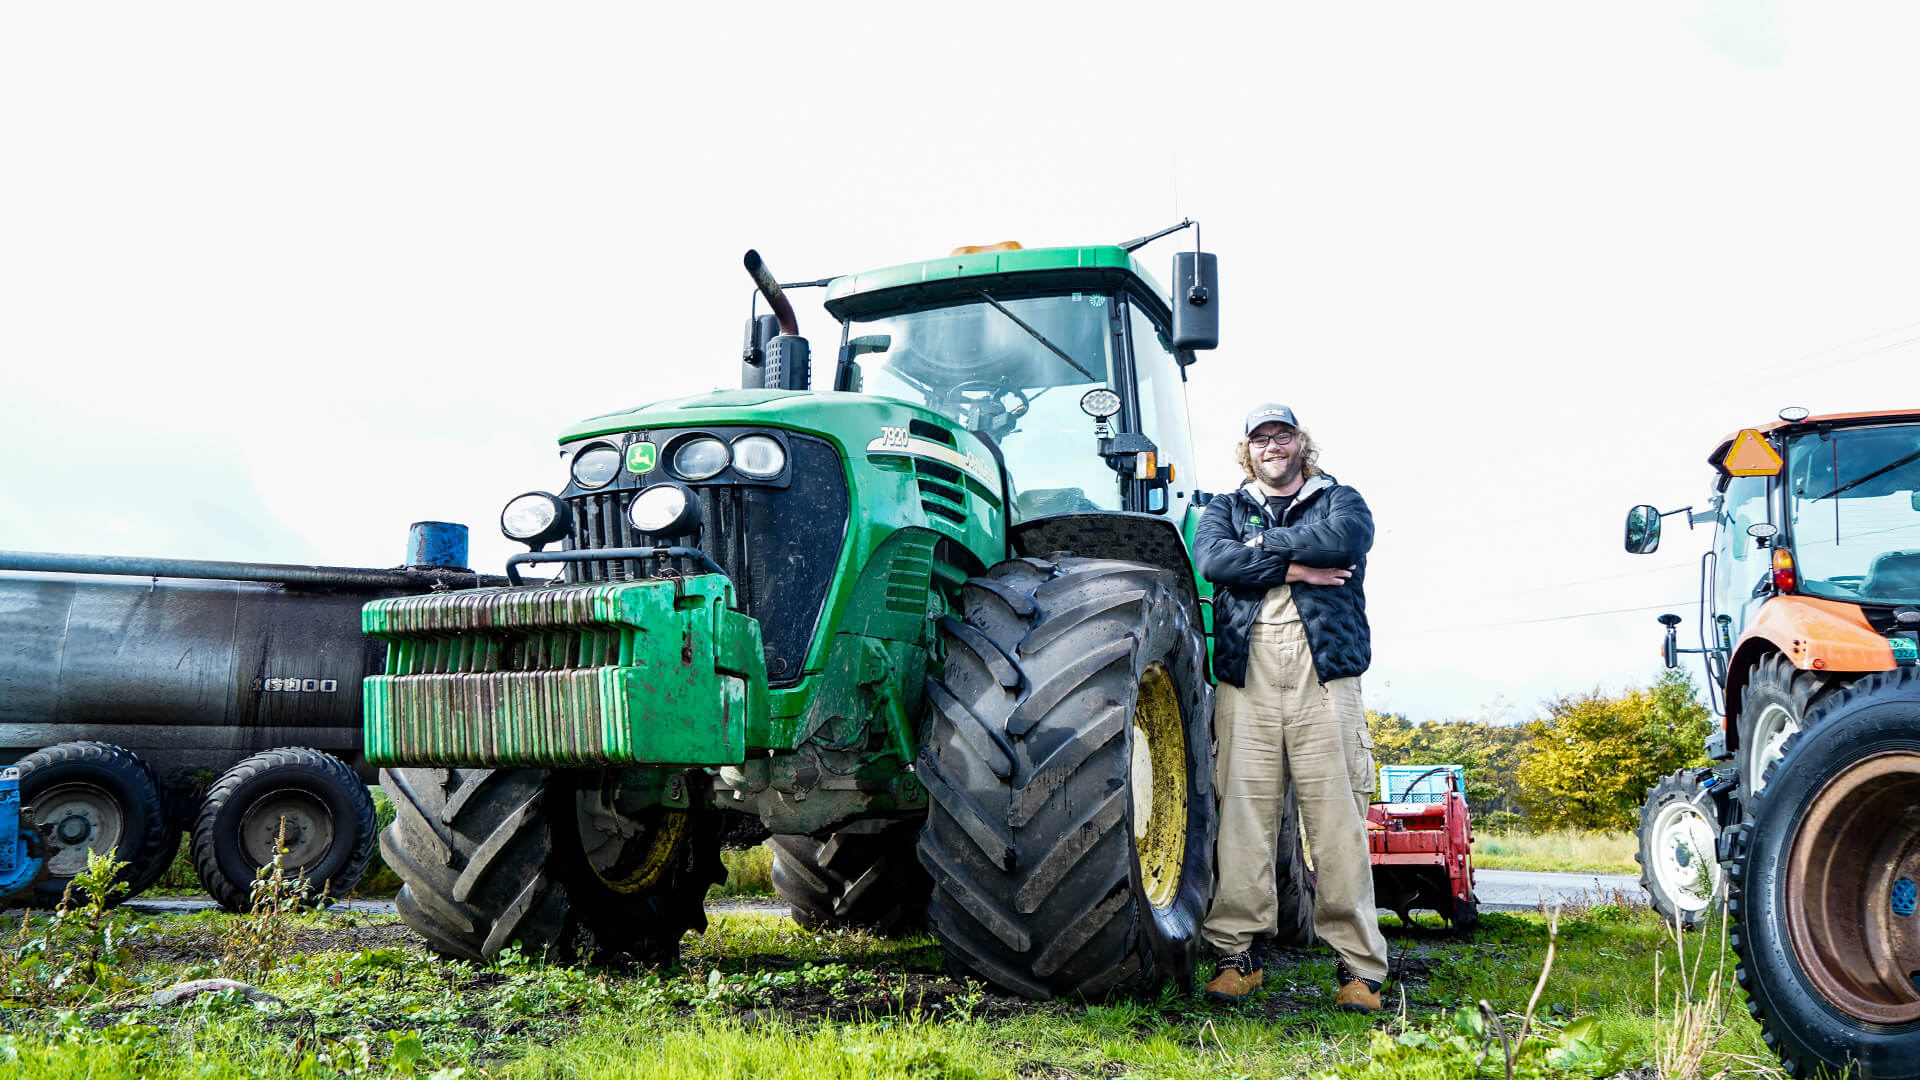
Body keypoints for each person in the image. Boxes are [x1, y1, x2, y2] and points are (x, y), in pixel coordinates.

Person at [1193, 403, 1389, 1011]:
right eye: (1260, 440)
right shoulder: (1223, 508)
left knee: (1336, 822)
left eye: (1281, 436)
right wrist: (1298, 567)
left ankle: (1360, 968)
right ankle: (1237, 957)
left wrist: (1263, 551)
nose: (1271, 447)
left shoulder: (1341, 499)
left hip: (1323, 676)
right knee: (1243, 820)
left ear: (1301, 445)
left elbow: (1347, 540)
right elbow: (1214, 561)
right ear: (1247, 452)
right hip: (1246, 677)